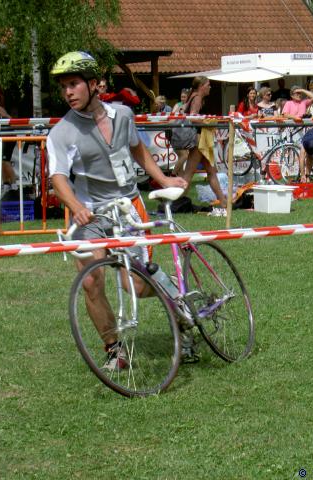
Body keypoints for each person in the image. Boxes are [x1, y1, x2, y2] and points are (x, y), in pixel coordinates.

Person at [46, 51, 187, 369]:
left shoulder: (123, 114)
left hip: (127, 207)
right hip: (90, 214)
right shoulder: (62, 132)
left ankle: (174, 295)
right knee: (90, 281)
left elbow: (137, 149)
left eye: (73, 84)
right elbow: (58, 178)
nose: (68, 92)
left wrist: (163, 178)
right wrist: (76, 207)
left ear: (93, 84)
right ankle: (114, 351)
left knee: (134, 284)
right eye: (63, 87)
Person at [178, 76, 227, 216]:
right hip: (200, 141)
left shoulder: (192, 96)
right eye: (208, 84)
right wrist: (208, 122)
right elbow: (193, 117)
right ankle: (175, 202)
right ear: (201, 86)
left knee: (211, 172)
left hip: (201, 140)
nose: (210, 87)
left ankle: (223, 202)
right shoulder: (197, 97)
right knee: (189, 174)